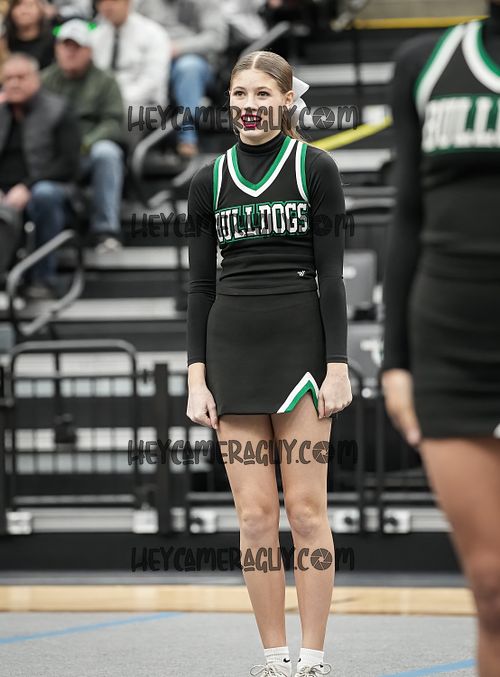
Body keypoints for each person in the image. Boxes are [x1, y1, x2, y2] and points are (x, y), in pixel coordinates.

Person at [186, 50, 352, 677]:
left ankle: (313, 657)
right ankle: (275, 658)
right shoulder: (208, 179)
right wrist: (196, 375)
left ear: (286, 100)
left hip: (300, 354)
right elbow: (200, 286)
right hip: (232, 353)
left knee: (306, 512)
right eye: (239, 94)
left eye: (262, 94)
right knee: (255, 517)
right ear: (228, 102)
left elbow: (332, 276)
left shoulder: (316, 167)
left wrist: (337, 365)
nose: (249, 105)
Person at [381, 3, 500, 675]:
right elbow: (407, 214)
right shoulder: (425, 65)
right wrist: (396, 360)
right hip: (452, 349)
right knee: (491, 589)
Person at [0, 52, 80, 299]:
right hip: (5, 193)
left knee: (44, 195)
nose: (14, 83)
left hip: (50, 189)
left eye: (21, 77)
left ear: (36, 79)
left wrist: (27, 186)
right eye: (8, 78)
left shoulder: (58, 110)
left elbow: (68, 164)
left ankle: (43, 279)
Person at [42, 18, 126, 253]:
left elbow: (113, 122)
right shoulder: (44, 80)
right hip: (54, 154)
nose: (70, 52)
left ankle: (105, 231)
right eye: (65, 46)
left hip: (88, 151)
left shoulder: (105, 81)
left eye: (76, 47)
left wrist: (86, 142)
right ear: (56, 49)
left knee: (107, 153)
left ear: (88, 51)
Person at [134, 0, 228, 158]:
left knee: (188, 67)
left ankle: (187, 138)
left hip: (195, 63)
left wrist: (178, 48)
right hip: (153, 60)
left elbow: (217, 39)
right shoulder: (145, 3)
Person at [91, 0, 170, 147]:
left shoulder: (153, 33)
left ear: (127, 3)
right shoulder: (96, 36)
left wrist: (116, 100)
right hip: (105, 104)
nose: (107, 6)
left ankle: (127, 158)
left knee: (124, 114)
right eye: (102, 2)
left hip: (145, 105)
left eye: (113, 1)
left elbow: (152, 82)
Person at [1, 0, 55, 69]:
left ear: (41, 10)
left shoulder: (52, 41)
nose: (24, 11)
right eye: (18, 5)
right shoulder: (4, 42)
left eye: (30, 5)